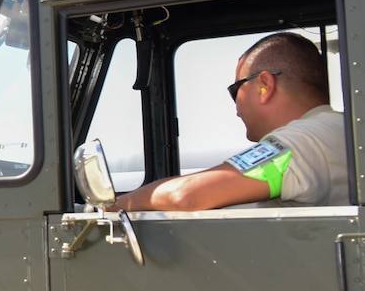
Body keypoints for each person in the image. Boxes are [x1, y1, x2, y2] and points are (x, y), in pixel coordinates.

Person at [114, 31, 347, 211]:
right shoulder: (341, 131)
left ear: (265, 86)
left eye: (235, 90)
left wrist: (113, 206)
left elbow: (185, 195)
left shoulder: (302, 144)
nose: (236, 109)